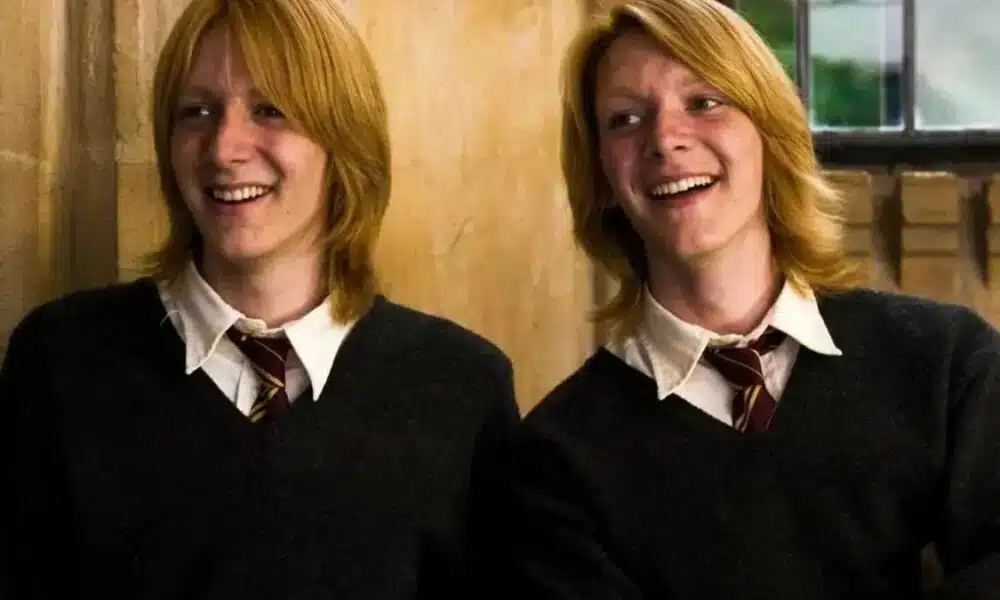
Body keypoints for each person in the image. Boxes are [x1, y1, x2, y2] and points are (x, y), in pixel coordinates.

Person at [0, 0, 518, 598]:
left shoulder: (461, 388)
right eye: (197, 112)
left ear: (344, 139)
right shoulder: (62, 361)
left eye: (270, 110)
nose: (224, 149)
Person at [501, 0, 1000, 598]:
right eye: (625, 119)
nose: (665, 140)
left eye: (704, 103)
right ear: (602, 176)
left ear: (770, 133)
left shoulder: (947, 365)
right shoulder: (556, 458)